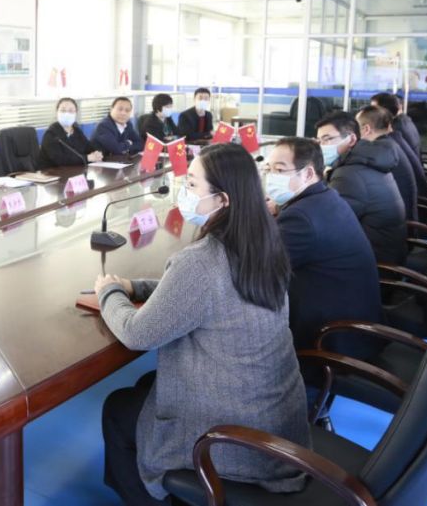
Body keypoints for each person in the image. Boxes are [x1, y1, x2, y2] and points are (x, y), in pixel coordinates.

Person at [97, 143, 309, 505]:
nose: (185, 191)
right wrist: (139, 287)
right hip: (275, 421)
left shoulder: (203, 261)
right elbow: (206, 292)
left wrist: (109, 293)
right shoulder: (263, 243)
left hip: (233, 440)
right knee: (148, 385)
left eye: (193, 185)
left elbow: (137, 333)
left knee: (118, 408)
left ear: (222, 200)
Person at [264, 137, 381, 359]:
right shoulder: (324, 197)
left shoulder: (301, 217)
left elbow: (258, 269)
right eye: (268, 169)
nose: (270, 177)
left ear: (308, 173)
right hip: (356, 322)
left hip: (331, 340)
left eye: (279, 170)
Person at [315, 111, 407, 265]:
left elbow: (325, 223)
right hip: (386, 253)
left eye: (327, 139)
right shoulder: (368, 159)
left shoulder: (349, 175)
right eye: (319, 141)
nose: (321, 147)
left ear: (351, 139)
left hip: (374, 264)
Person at [356, 105, 418, 222]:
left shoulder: (378, 152)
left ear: (366, 129)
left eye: (356, 127)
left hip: (401, 223)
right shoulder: (389, 145)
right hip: (403, 215)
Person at [38, 97, 103, 167]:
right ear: (57, 113)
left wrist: (97, 153)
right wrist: (87, 158)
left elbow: (89, 147)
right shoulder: (51, 134)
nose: (66, 114)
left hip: (76, 170)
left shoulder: (77, 130)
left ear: (76, 113)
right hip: (52, 171)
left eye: (71, 111)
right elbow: (60, 160)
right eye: (63, 110)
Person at [370, 92, 420, 157]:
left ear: (384, 110)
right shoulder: (404, 120)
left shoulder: (394, 129)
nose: (370, 112)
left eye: (374, 109)